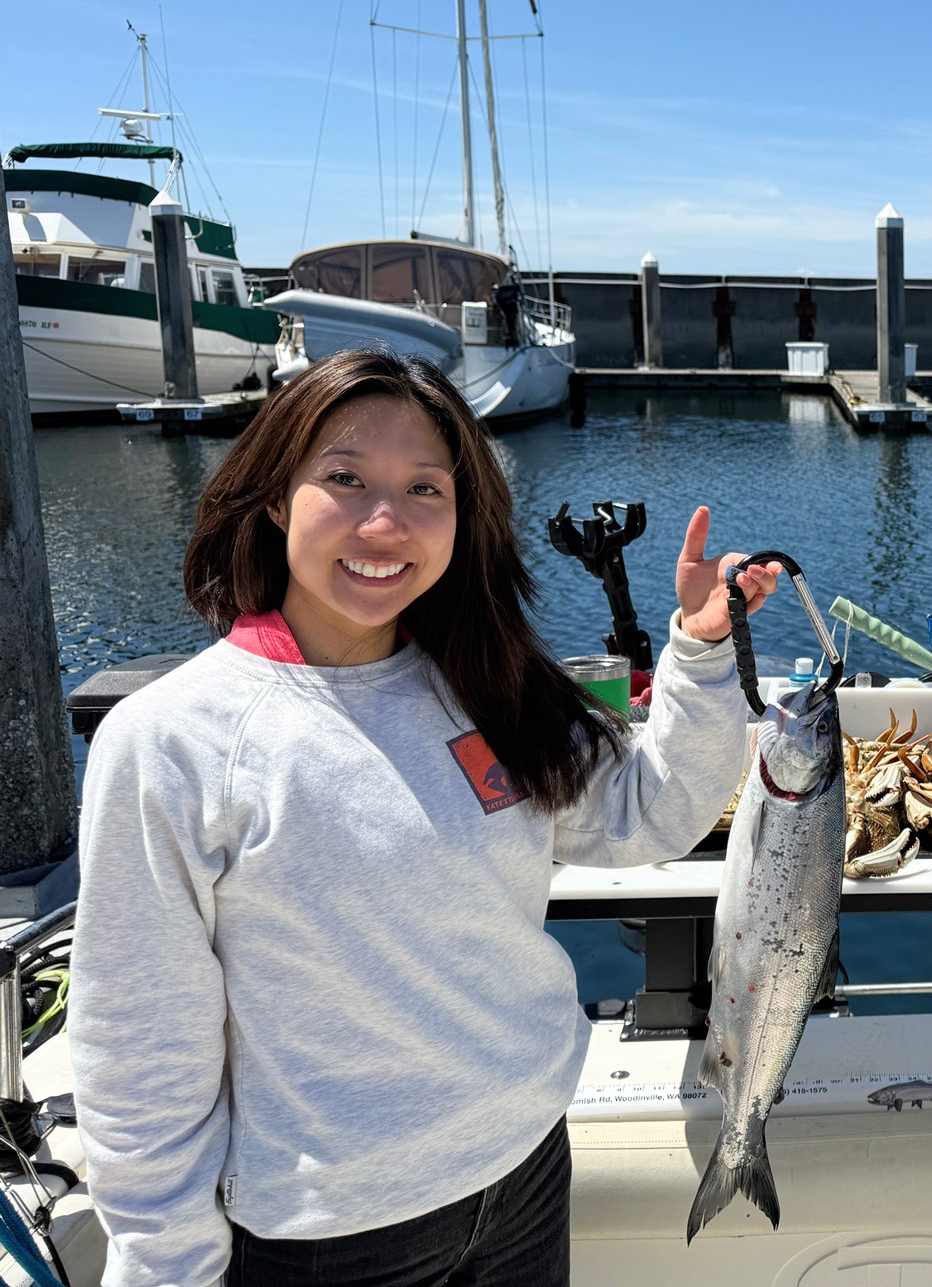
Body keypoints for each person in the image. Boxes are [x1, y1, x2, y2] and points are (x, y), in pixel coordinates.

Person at [69, 349, 782, 1287]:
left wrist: (697, 651)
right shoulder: (172, 740)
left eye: (423, 489)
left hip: (523, 1171)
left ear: (462, 516)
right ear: (276, 497)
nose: (383, 521)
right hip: (327, 1236)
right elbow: (138, 1050)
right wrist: (166, 1266)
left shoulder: (487, 685)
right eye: (345, 478)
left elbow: (646, 815)